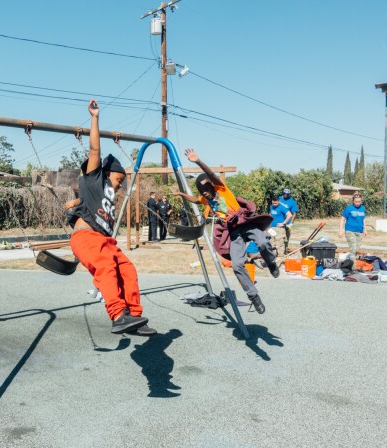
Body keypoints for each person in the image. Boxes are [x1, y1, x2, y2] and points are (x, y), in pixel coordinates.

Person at [67, 99, 155, 336]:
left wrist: (74, 203)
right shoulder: (95, 177)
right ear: (108, 174)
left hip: (105, 241)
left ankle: (134, 317)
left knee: (128, 270)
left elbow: (85, 203)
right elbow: (95, 150)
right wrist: (95, 117)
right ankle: (117, 315)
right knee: (106, 268)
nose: (119, 186)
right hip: (86, 238)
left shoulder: (105, 193)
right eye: (119, 180)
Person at [173, 148, 277, 314]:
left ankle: (271, 263)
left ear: (212, 186)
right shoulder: (205, 200)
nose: (204, 193)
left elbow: (212, 175)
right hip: (234, 231)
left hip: (246, 223)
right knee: (236, 265)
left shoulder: (221, 189)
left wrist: (198, 161)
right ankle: (253, 296)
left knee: (263, 242)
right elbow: (194, 199)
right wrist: (180, 194)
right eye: (202, 192)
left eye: (206, 189)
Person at [339, 193, 367, 262]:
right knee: (353, 248)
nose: (358, 203)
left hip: (360, 231)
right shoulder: (349, 209)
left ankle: (349, 261)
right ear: (353, 201)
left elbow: (363, 219)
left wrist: (365, 229)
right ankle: (352, 267)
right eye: (356, 202)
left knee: (356, 249)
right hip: (350, 231)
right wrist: (340, 230)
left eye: (359, 202)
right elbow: (342, 219)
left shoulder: (362, 208)